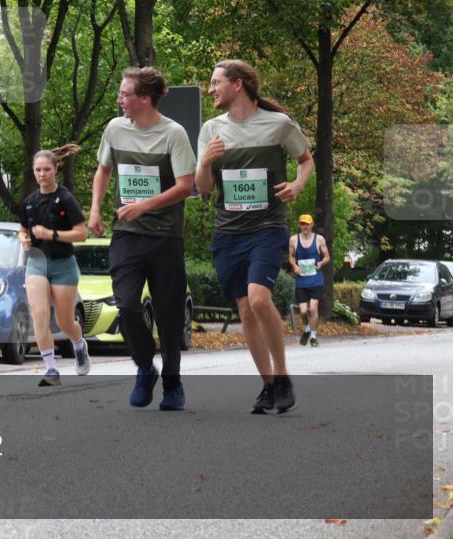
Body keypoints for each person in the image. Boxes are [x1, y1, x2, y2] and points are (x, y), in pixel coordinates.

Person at [195, 59, 314, 414]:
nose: (210, 89)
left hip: (267, 227)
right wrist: (204, 162)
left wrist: (296, 184)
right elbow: (203, 190)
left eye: (216, 82)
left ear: (238, 85)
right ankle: (267, 386)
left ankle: (282, 377)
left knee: (259, 300)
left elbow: (306, 160)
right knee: (246, 312)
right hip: (229, 232)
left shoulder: (277, 125)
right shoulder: (211, 129)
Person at [89, 67, 196, 411]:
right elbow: (103, 170)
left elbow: (186, 186)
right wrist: (94, 210)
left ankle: (173, 385)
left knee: (168, 314)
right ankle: (145, 367)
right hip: (127, 235)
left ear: (144, 99)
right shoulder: (115, 129)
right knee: (127, 305)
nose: (119, 100)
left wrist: (144, 205)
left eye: (124, 94)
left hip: (165, 237)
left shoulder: (174, 134)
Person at [19, 144, 91, 386]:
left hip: (63, 264)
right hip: (37, 263)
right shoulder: (29, 201)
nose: (42, 174)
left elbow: (82, 234)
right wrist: (24, 238)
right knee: (39, 314)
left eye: (46, 169)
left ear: (55, 169)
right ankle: (51, 369)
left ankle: (79, 344)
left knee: (63, 321)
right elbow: (23, 229)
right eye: (38, 170)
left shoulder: (66, 198)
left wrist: (51, 234)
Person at [289, 213, 330, 347]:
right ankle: (307, 329)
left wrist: (321, 263)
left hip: (316, 279)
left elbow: (327, 257)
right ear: (299, 225)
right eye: (302, 224)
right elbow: (291, 257)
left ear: (312, 225)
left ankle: (313, 336)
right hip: (301, 280)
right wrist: (294, 266)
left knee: (313, 308)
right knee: (302, 311)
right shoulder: (294, 240)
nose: (305, 226)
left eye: (307, 224)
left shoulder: (319, 239)